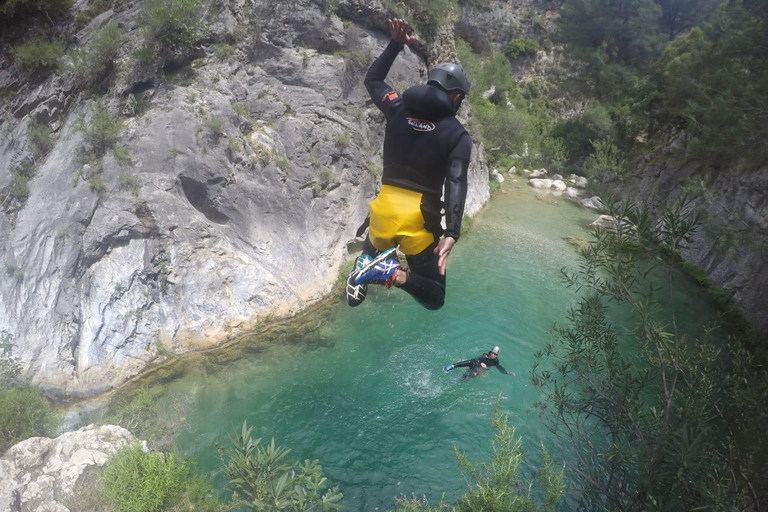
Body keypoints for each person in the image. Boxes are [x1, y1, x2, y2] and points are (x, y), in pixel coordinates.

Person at [345, 18, 473, 311]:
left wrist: (395, 44)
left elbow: (373, 80)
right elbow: (456, 184)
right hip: (417, 221)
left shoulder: (396, 106)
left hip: (382, 211)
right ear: (455, 96)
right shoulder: (458, 135)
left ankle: (362, 274)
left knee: (370, 254)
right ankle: (394, 274)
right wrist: (452, 233)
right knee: (435, 297)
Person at [443, 346, 515, 379]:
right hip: (474, 363)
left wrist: (506, 372)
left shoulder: (495, 361)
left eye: (495, 354)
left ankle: (460, 379)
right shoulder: (484, 356)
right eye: (493, 353)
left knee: (468, 377)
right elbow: (477, 360)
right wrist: (478, 368)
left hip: (479, 369)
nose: (493, 355)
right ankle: (450, 367)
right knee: (461, 364)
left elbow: (499, 367)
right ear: (490, 352)